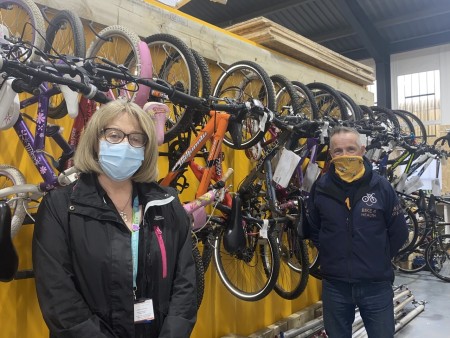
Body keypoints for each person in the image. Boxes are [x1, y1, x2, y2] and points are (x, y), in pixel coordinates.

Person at [32, 99, 197, 338]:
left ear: (145, 147)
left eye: (136, 138)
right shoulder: (60, 207)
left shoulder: (167, 204)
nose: (125, 145)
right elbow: (59, 298)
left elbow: (186, 285)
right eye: (113, 135)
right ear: (95, 141)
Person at [307, 126, 408, 338]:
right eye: (338, 151)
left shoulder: (381, 187)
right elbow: (313, 228)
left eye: (350, 149)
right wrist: (331, 254)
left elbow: (399, 232)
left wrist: (377, 258)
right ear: (331, 154)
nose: (345, 155)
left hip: (376, 285)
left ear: (362, 151)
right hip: (335, 286)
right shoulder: (321, 188)